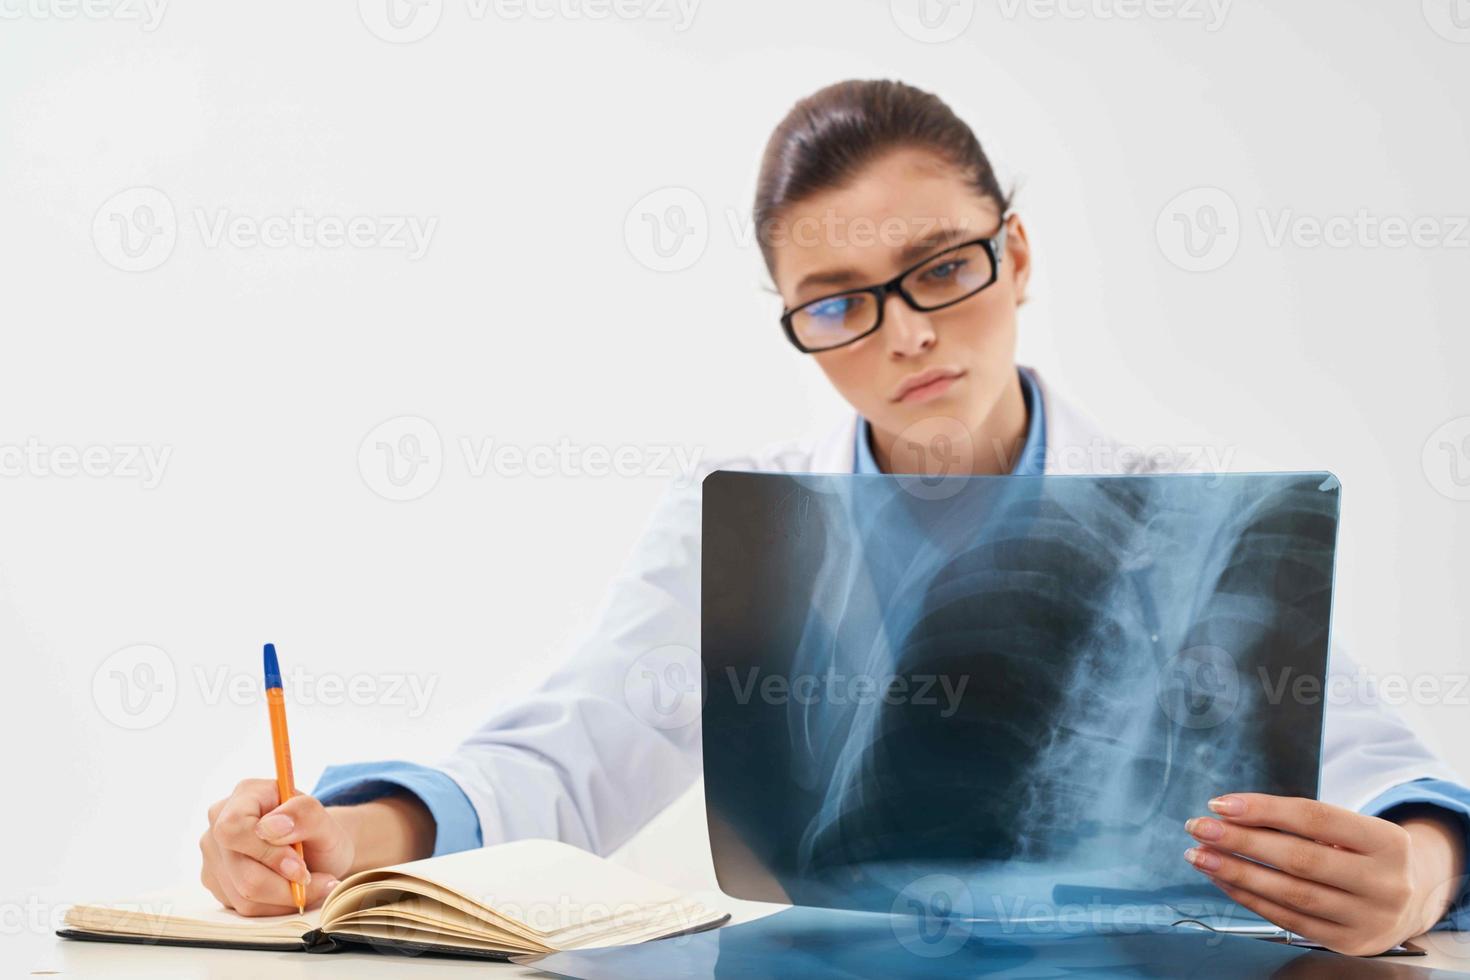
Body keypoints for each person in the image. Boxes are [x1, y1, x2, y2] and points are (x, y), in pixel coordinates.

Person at [196, 79, 1470, 956]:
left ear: (1014, 255)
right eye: (837, 299)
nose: (908, 329)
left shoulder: (1189, 517)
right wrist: (352, 834)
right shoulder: (743, 534)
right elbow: (571, 748)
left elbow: (1377, 775)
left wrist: (1417, 872)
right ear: (797, 327)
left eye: (942, 268)